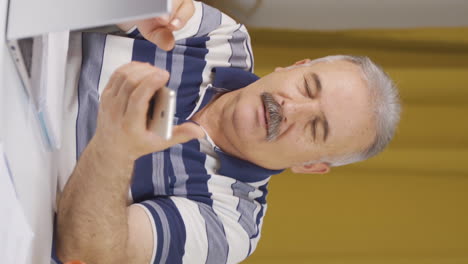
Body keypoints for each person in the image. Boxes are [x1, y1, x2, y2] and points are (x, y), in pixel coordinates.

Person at [53, 0, 401, 263]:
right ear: (295, 66)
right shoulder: (221, 37)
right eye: (308, 87)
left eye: (316, 128)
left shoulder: (232, 223)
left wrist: (113, 151)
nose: (290, 108)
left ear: (311, 165)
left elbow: (88, 253)